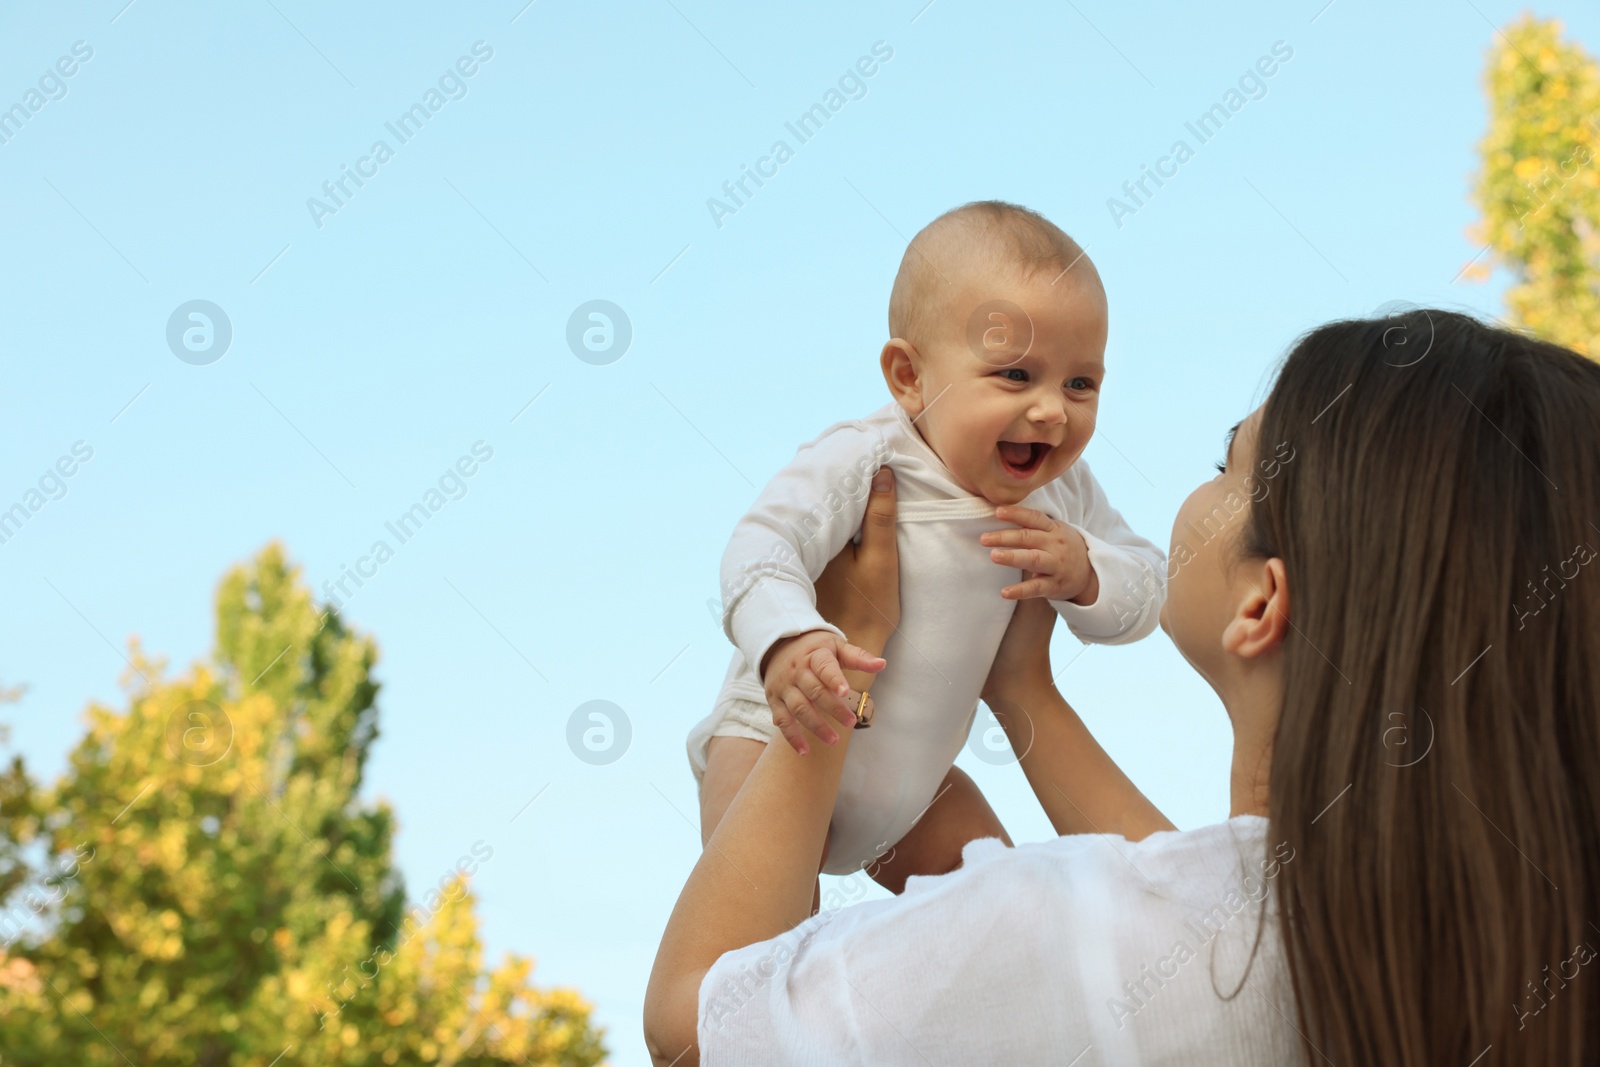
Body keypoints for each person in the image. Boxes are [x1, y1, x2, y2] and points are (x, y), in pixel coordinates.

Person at [645, 308, 1600, 1065]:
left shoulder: (1081, 938)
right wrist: (1025, 694)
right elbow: (1200, 901)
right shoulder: (1497, 946)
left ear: (1263, 600)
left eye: (1228, 464)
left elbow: (698, 1028)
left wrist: (846, 654)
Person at [689, 200, 1165, 893]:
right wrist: (789, 639)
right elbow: (761, 544)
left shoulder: (1066, 496)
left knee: (1008, 905)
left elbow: (1150, 585)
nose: (1053, 410)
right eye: (1016, 375)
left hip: (916, 792)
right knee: (758, 951)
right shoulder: (868, 458)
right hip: (777, 734)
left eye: (1081, 382)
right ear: (910, 377)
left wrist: (1088, 572)